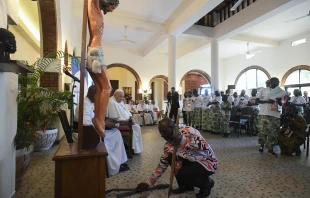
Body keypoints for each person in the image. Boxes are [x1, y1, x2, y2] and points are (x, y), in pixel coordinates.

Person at [135, 118, 218, 198]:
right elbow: (162, 165)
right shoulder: (168, 146)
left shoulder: (189, 131)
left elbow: (205, 146)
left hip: (206, 162)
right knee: (170, 158)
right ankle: (184, 186)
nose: (164, 137)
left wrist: (183, 140)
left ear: (174, 127)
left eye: (167, 134)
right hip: (191, 161)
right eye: (162, 134)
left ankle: (207, 184)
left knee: (183, 173)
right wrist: (149, 183)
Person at [74, 85, 128, 176]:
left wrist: (105, 122)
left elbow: (91, 119)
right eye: (99, 96)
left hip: (89, 132)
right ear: (94, 94)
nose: (100, 99)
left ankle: (118, 163)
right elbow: (86, 124)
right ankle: (114, 166)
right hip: (88, 135)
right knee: (116, 133)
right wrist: (103, 125)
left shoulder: (87, 102)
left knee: (115, 132)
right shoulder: (85, 105)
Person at [86, 0, 119, 137]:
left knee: (101, 88)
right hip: (95, 51)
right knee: (107, 88)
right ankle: (99, 119)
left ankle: (98, 118)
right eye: (113, 6)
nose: (112, 10)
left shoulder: (100, 14)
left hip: (96, 51)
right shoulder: (93, 5)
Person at [256, 78, 287, 156]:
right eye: (274, 82)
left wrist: (279, 100)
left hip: (275, 114)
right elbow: (257, 101)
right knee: (263, 130)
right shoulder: (264, 90)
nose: (275, 84)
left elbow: (281, 104)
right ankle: (261, 146)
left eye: (277, 82)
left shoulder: (280, 91)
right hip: (264, 113)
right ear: (270, 82)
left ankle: (270, 149)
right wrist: (267, 101)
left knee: (274, 132)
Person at [107, 89, 143, 154]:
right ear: (115, 95)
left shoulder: (119, 101)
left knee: (137, 127)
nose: (122, 98)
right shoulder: (111, 102)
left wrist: (131, 117)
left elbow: (126, 110)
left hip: (126, 122)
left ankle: (134, 148)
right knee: (135, 128)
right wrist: (128, 121)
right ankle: (132, 148)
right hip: (120, 124)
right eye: (120, 96)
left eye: (122, 96)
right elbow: (115, 118)